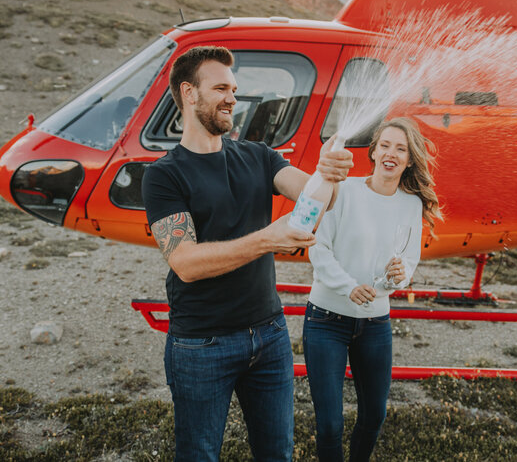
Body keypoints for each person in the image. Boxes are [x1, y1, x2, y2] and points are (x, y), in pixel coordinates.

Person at [141, 45, 353, 462]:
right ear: (189, 93)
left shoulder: (259, 156)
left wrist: (328, 176)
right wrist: (266, 239)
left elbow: (315, 202)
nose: (232, 98)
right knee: (199, 455)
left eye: (234, 88)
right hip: (202, 344)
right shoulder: (164, 175)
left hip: (269, 335)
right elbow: (184, 263)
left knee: (278, 455)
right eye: (220, 87)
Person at [303, 118, 441, 461]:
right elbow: (317, 248)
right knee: (330, 425)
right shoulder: (343, 189)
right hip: (325, 321)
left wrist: (397, 276)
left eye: (401, 149)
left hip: (376, 325)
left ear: (410, 160)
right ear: (373, 151)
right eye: (385, 146)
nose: (391, 154)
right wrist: (348, 287)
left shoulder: (411, 204)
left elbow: (407, 263)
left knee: (374, 416)